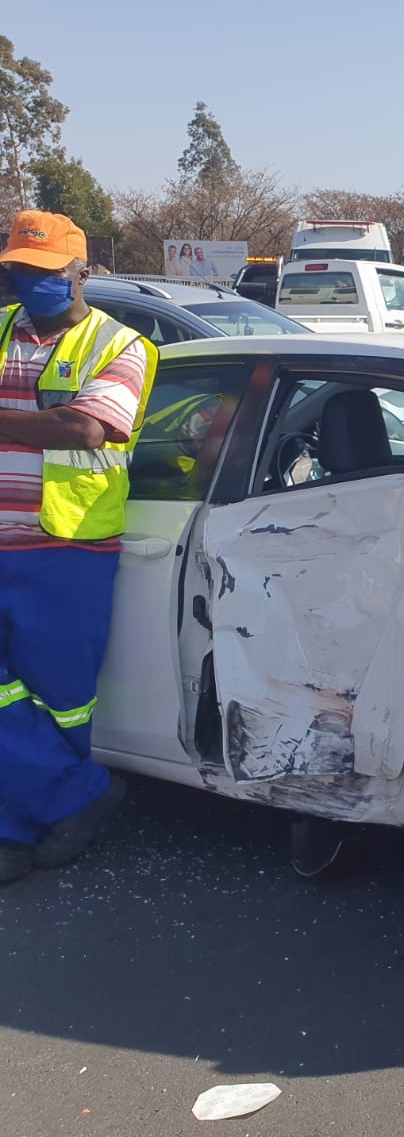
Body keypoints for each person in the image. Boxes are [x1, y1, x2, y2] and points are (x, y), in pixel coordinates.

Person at [0, 211, 157, 884]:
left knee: (61, 698)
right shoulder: (3, 331)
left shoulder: (121, 345)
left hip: (66, 547)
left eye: (40, 272)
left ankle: (23, 827)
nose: (25, 281)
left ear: (79, 271)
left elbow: (87, 428)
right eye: (15, 270)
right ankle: (76, 798)